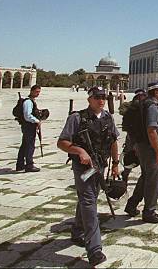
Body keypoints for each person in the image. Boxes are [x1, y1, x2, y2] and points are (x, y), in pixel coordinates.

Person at [57, 86, 120, 266]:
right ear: (89, 99)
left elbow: (114, 140)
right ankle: (94, 249)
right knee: (88, 201)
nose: (101, 100)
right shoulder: (77, 118)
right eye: (97, 97)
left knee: (88, 198)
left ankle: (77, 231)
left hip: (99, 166)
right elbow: (62, 142)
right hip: (83, 168)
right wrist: (79, 151)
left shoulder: (108, 118)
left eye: (104, 97)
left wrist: (115, 164)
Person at [124, 80, 158, 223]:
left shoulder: (143, 103)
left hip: (141, 145)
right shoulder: (152, 106)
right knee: (154, 179)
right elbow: (151, 130)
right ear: (156, 91)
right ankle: (149, 211)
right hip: (149, 147)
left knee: (146, 176)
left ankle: (132, 205)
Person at [120, 88, 147, 182]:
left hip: (135, 137)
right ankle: (126, 176)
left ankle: (127, 175)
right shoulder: (132, 107)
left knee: (135, 158)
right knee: (132, 158)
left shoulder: (143, 106)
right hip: (133, 138)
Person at [16, 85, 43, 172]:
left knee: (24, 145)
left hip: (28, 126)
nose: (38, 94)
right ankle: (29, 165)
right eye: (36, 92)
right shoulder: (28, 102)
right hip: (29, 126)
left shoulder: (31, 101)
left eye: (39, 92)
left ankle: (20, 165)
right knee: (30, 146)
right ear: (32, 91)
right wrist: (36, 121)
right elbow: (27, 116)